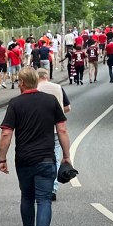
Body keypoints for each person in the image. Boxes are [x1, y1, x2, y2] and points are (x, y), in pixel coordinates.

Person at [0, 66, 70, 226]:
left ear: (21, 83)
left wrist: (2, 159)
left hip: (24, 160)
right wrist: (66, 156)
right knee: (44, 200)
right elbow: (62, 130)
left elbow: (6, 133)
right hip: (47, 159)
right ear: (37, 81)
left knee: (27, 197)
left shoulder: (15, 103)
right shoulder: (51, 101)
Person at [36, 68, 70, 200]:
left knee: (38, 158)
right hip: (55, 129)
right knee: (55, 158)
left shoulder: (34, 88)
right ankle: (53, 188)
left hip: (38, 129)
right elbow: (67, 107)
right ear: (47, 76)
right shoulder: (58, 88)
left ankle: (40, 186)